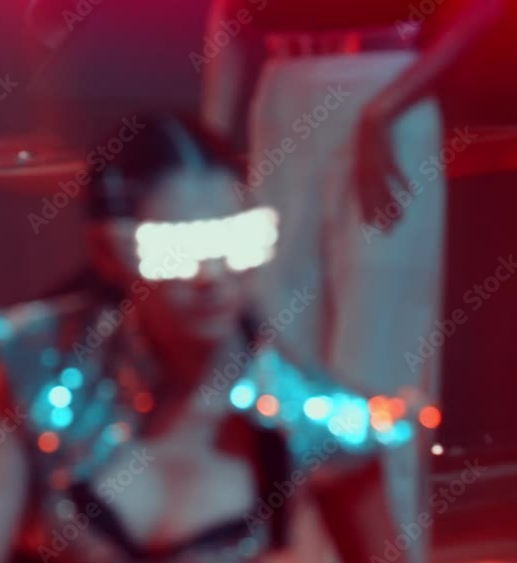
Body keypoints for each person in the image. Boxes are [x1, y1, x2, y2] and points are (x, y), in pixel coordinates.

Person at [0, 114, 430, 562]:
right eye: (175, 249)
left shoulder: (310, 420)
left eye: (237, 239)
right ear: (111, 254)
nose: (212, 276)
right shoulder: (37, 380)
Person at [201, 2, 503, 561]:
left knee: (380, 362)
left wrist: (391, 103)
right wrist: (208, 152)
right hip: (281, 91)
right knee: (278, 353)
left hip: (387, 85)